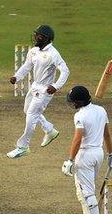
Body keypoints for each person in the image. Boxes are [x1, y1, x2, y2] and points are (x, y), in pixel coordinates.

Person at [61, 86, 112, 214]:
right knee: (85, 191)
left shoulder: (80, 115)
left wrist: (70, 160)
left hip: (85, 156)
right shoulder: (101, 110)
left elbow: (77, 139)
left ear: (79, 102)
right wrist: (111, 154)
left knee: (86, 192)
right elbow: (107, 135)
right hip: (98, 154)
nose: (72, 104)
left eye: (73, 102)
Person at [6, 24, 70, 159]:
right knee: (27, 110)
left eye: (38, 35)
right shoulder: (33, 51)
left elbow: (65, 70)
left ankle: (23, 147)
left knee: (31, 114)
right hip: (35, 86)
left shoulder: (53, 54)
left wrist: (56, 86)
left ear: (46, 38)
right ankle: (49, 130)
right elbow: (26, 66)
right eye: (36, 34)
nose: (35, 37)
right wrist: (17, 77)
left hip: (45, 90)